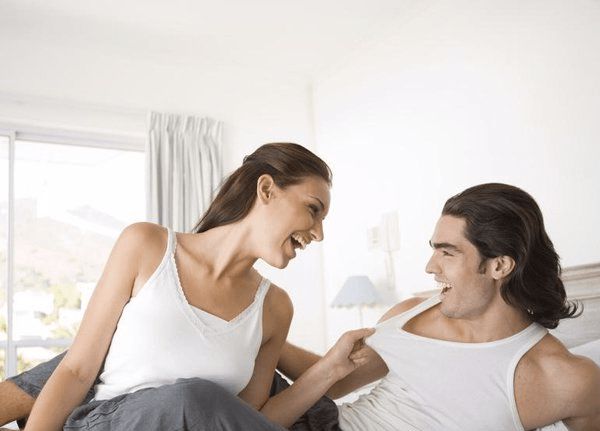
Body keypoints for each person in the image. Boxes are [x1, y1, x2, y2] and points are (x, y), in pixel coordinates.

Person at [4, 182, 600, 430]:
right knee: (141, 339)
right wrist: (228, 331)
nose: (429, 268)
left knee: (189, 385)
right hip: (318, 422)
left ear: (499, 266)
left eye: (446, 252)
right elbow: (335, 379)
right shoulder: (412, 312)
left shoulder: (566, 379)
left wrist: (250, 331)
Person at [0, 142, 373, 431]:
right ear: (266, 189)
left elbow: (250, 421)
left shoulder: (275, 307)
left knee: (205, 404)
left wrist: (329, 369)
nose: (318, 233)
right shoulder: (146, 246)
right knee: (194, 398)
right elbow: (76, 371)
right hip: (111, 422)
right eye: (313, 210)